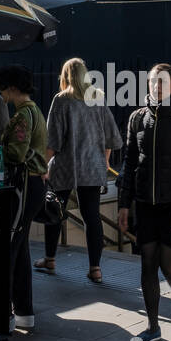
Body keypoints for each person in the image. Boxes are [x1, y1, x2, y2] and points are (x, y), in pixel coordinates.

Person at [117, 62, 171, 341]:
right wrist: (124, 203)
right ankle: (153, 327)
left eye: (163, 82)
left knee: (169, 268)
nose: (157, 86)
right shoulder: (137, 118)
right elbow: (129, 163)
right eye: (154, 82)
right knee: (147, 265)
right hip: (145, 205)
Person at [34, 57, 122, 284]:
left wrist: (43, 166)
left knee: (55, 209)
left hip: (66, 165)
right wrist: (105, 161)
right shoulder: (98, 98)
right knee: (91, 216)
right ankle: (95, 269)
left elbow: (53, 140)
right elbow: (111, 137)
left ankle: (50, 259)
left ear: (65, 77)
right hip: (92, 166)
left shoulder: (62, 100)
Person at [0, 65, 48, 331]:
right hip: (35, 184)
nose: (0, 93)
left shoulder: (22, 116)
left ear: (12, 88)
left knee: (9, 248)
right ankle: (25, 311)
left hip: (24, 184)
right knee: (22, 247)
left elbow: (16, 153)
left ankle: (3, 314)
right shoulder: (35, 111)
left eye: (2, 87)